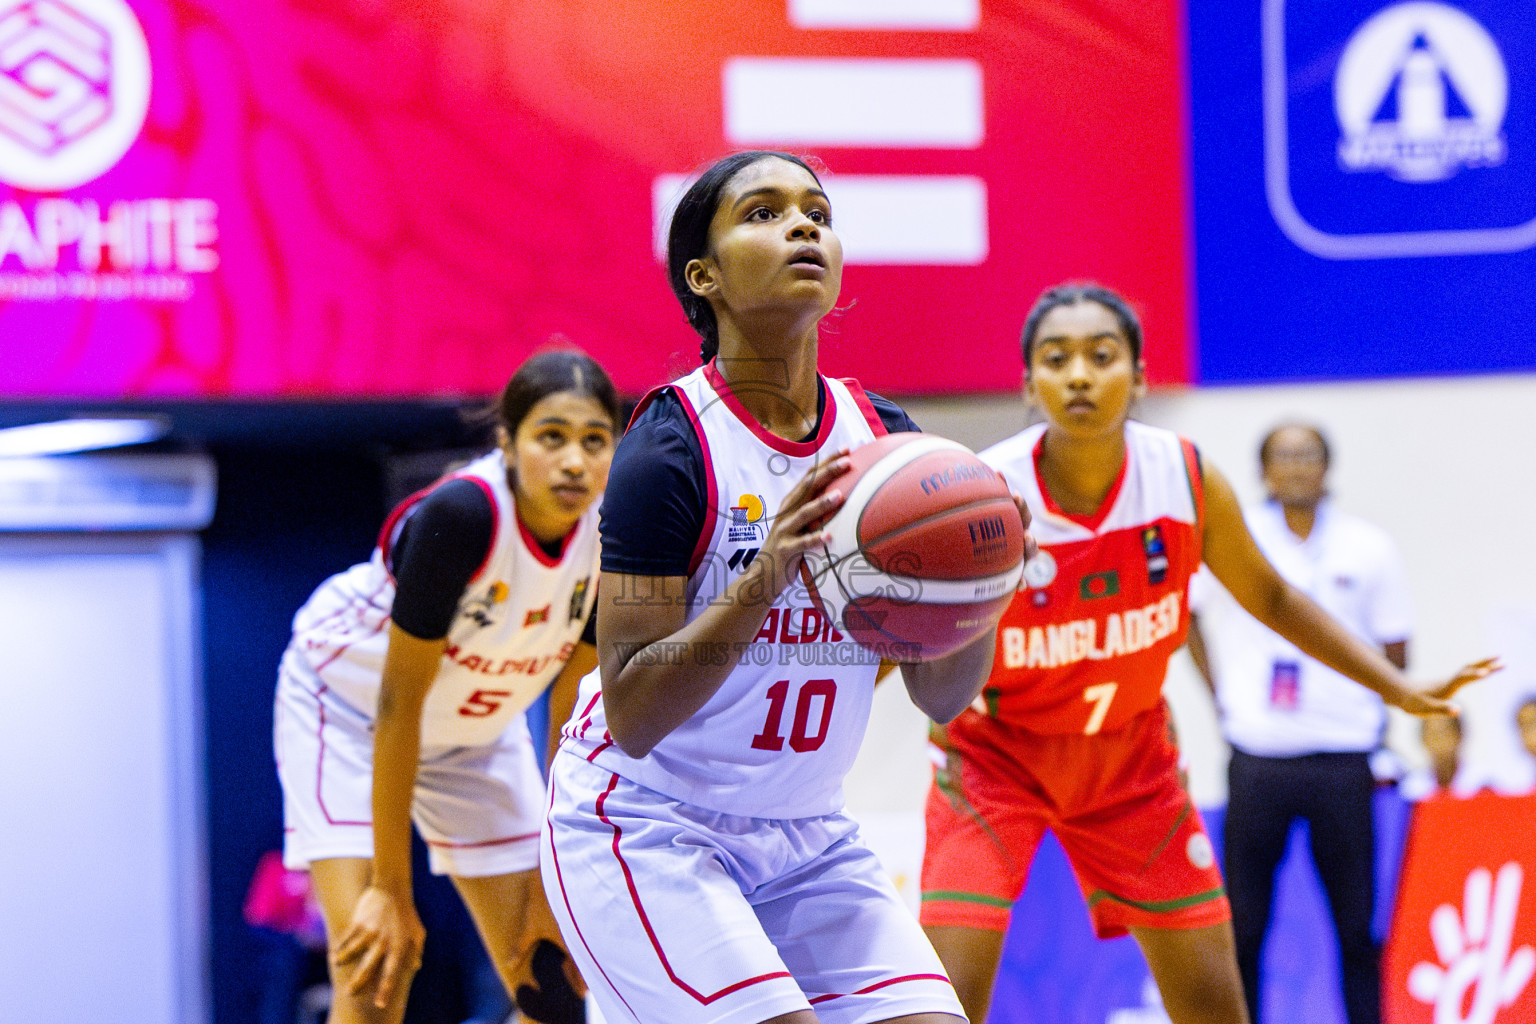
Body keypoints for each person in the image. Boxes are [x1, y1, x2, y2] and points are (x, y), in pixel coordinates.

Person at [918, 282, 1498, 1024]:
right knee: (938, 1006)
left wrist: (1397, 688)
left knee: (1216, 1006)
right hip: (995, 762)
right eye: (1056, 360)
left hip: (1130, 765)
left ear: (1140, 375)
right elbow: (911, 634)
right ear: (1030, 384)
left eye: (1102, 356)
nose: (1080, 376)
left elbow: (1276, 600)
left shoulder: (1182, 476)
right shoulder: (983, 489)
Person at [540, 149, 1029, 1024]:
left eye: (816, 212)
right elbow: (634, 713)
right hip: (649, 825)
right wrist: (767, 573)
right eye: (763, 213)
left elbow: (945, 696)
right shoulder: (669, 447)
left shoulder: (891, 447)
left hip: (807, 834)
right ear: (706, 277)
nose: (803, 225)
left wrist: (980, 588)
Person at [273, 349, 618, 1024]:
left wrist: (554, 887)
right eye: (552, 437)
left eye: (594, 441)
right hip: (347, 710)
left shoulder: (612, 536)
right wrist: (392, 890)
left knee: (550, 984)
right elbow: (398, 706)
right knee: (376, 966)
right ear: (508, 444)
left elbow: (568, 722)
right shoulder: (463, 517)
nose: (574, 461)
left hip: (474, 736)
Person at [1184, 422, 1411, 1024]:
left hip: (1343, 758)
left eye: (1308, 455)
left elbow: (1397, 651)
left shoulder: (1369, 547)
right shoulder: (1236, 538)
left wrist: (1360, 700)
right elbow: (1190, 619)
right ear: (1262, 470)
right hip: (1259, 757)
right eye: (1282, 456)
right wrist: (1223, 698)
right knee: (1245, 926)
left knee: (1357, 927)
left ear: (1327, 468)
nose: (1296, 467)